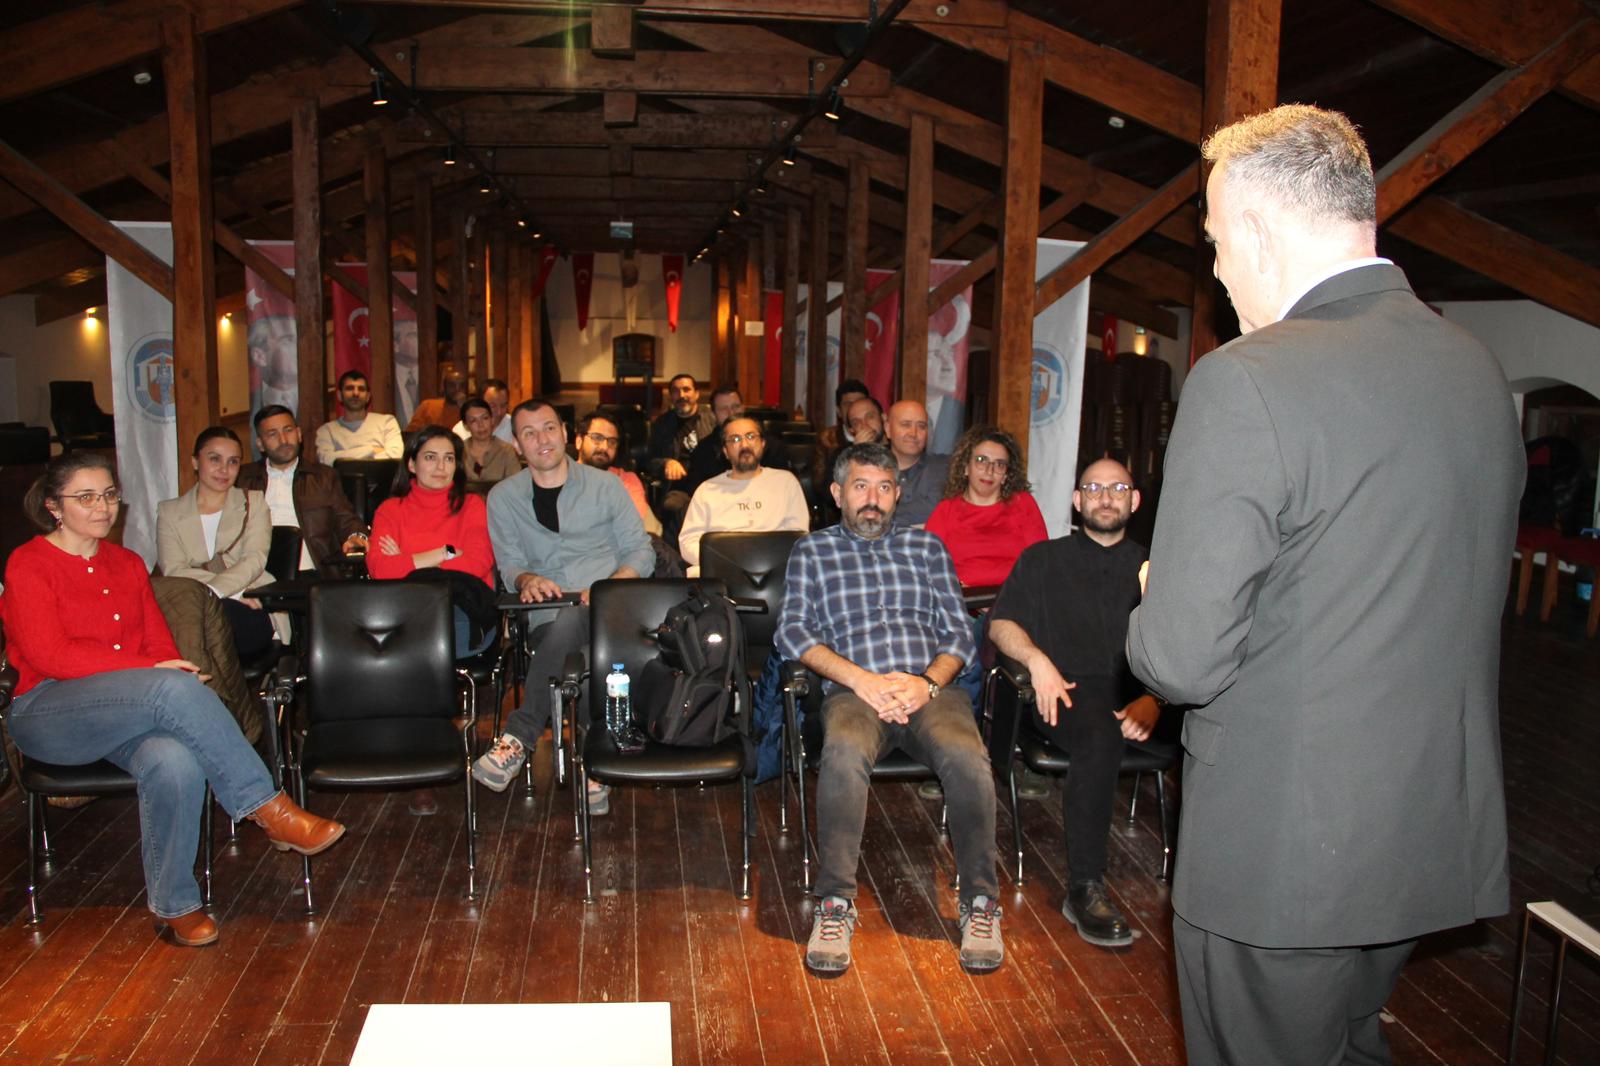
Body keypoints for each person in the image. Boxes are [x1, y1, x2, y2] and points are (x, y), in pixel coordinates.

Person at [1124, 105, 1523, 1065]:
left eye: (1217, 243)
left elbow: (1178, 658)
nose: (1216, 272)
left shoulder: (1247, 381)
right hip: (1424, 828)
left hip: (1284, 851)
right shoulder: (1473, 369)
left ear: (1258, 230)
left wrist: (1153, 584)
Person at [0, 452, 346, 948]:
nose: (103, 507)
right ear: (55, 506)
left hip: (125, 707)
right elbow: (50, 656)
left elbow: (158, 645)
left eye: (110, 495)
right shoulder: (29, 563)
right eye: (86, 497)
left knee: (175, 757)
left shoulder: (126, 563)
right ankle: (266, 806)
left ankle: (176, 905)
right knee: (169, 685)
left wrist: (161, 668)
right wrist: (153, 672)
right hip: (50, 712)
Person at [775, 441, 1002, 974]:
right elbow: (792, 632)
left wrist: (926, 682)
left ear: (898, 494)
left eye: (883, 487)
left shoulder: (928, 549)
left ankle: (979, 903)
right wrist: (862, 680)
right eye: (860, 486)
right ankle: (834, 904)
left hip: (929, 691)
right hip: (855, 691)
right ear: (837, 494)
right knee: (844, 753)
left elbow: (958, 634)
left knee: (969, 759)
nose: (872, 499)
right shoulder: (812, 551)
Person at [988, 457, 1159, 950]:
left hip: (1142, 691)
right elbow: (1002, 625)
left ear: (1134, 500)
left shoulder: (1157, 566)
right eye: (1094, 488)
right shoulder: (1042, 559)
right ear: (1077, 500)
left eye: (1118, 487)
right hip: (1065, 691)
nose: (1106, 497)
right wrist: (1037, 660)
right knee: (1099, 735)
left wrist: (1157, 699)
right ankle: (1086, 885)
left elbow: (1183, 645)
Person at [475, 399, 655, 813]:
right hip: (548, 618)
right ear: (517, 445)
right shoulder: (503, 497)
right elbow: (510, 566)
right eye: (529, 432)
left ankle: (518, 736)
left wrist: (609, 586)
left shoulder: (605, 485)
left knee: (582, 620)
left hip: (612, 611)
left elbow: (640, 553)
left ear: (565, 434)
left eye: (549, 428)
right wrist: (526, 580)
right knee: (584, 653)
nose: (542, 439)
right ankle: (594, 763)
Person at [366, 426, 497, 658]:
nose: (441, 467)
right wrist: (444, 552)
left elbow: (477, 563)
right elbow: (381, 569)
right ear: (411, 464)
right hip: (402, 610)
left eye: (448, 458)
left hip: (461, 610)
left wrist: (406, 561)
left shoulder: (472, 505)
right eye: (430, 457)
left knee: (420, 643)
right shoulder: (390, 510)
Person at [156, 426, 275, 658]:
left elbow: (254, 559)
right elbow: (174, 570)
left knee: (207, 630)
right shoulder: (169, 511)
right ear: (195, 462)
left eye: (233, 462)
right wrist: (227, 592)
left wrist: (223, 592)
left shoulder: (254, 502)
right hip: (205, 600)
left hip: (249, 598)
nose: (224, 469)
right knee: (190, 628)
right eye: (214, 459)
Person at [237, 405, 369, 578]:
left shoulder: (323, 477)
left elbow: (347, 520)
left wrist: (356, 536)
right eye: (272, 434)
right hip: (257, 575)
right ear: (260, 444)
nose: (283, 439)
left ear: (299, 434)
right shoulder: (242, 479)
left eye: (288, 430)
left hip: (313, 572)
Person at [678, 417, 809, 576]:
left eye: (751, 436)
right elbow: (688, 542)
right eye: (735, 439)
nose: (745, 444)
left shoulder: (785, 482)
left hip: (776, 571)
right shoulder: (707, 490)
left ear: (763, 444)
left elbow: (798, 535)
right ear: (725, 451)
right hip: (722, 572)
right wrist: (727, 562)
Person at [925, 426, 1047, 589]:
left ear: (1005, 475)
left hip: (1015, 602)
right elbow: (927, 566)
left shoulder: (1023, 503)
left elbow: (1040, 563)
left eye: (999, 464)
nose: (989, 471)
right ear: (966, 467)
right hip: (963, 604)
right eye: (981, 460)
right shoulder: (946, 510)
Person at [646, 373, 716, 544]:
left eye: (687, 390)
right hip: (678, 489)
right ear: (671, 396)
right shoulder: (661, 424)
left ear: (697, 394)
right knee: (672, 507)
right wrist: (666, 463)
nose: (682, 395)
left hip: (710, 484)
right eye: (676, 391)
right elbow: (649, 462)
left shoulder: (711, 420)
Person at [576, 411, 662, 537]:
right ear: (579, 441)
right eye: (597, 438)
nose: (604, 447)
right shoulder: (559, 479)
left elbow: (636, 529)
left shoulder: (626, 480)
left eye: (611, 442)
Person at [314, 370, 403, 464]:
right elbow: (325, 459)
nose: (356, 393)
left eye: (361, 389)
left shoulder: (387, 422)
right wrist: (371, 450)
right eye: (349, 388)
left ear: (368, 396)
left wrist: (341, 456)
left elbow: (395, 456)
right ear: (340, 395)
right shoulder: (327, 431)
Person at [885, 400, 951, 529]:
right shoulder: (871, 470)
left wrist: (887, 516)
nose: (913, 433)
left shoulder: (945, 468)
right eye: (905, 425)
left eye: (921, 426)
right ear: (888, 429)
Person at [457, 397, 522, 488]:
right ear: (466, 426)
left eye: (485, 418)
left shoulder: (507, 451)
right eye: (473, 420)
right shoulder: (459, 450)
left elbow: (517, 486)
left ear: (492, 420)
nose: (481, 425)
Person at [407, 365, 469, 433]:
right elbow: (411, 432)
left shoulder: (472, 409)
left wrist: (464, 408)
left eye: (462, 386)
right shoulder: (428, 406)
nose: (457, 389)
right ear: (444, 387)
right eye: (452, 385)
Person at [453, 378, 514, 443]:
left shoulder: (514, 426)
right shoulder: (460, 431)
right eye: (493, 406)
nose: (499, 412)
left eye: (503, 405)